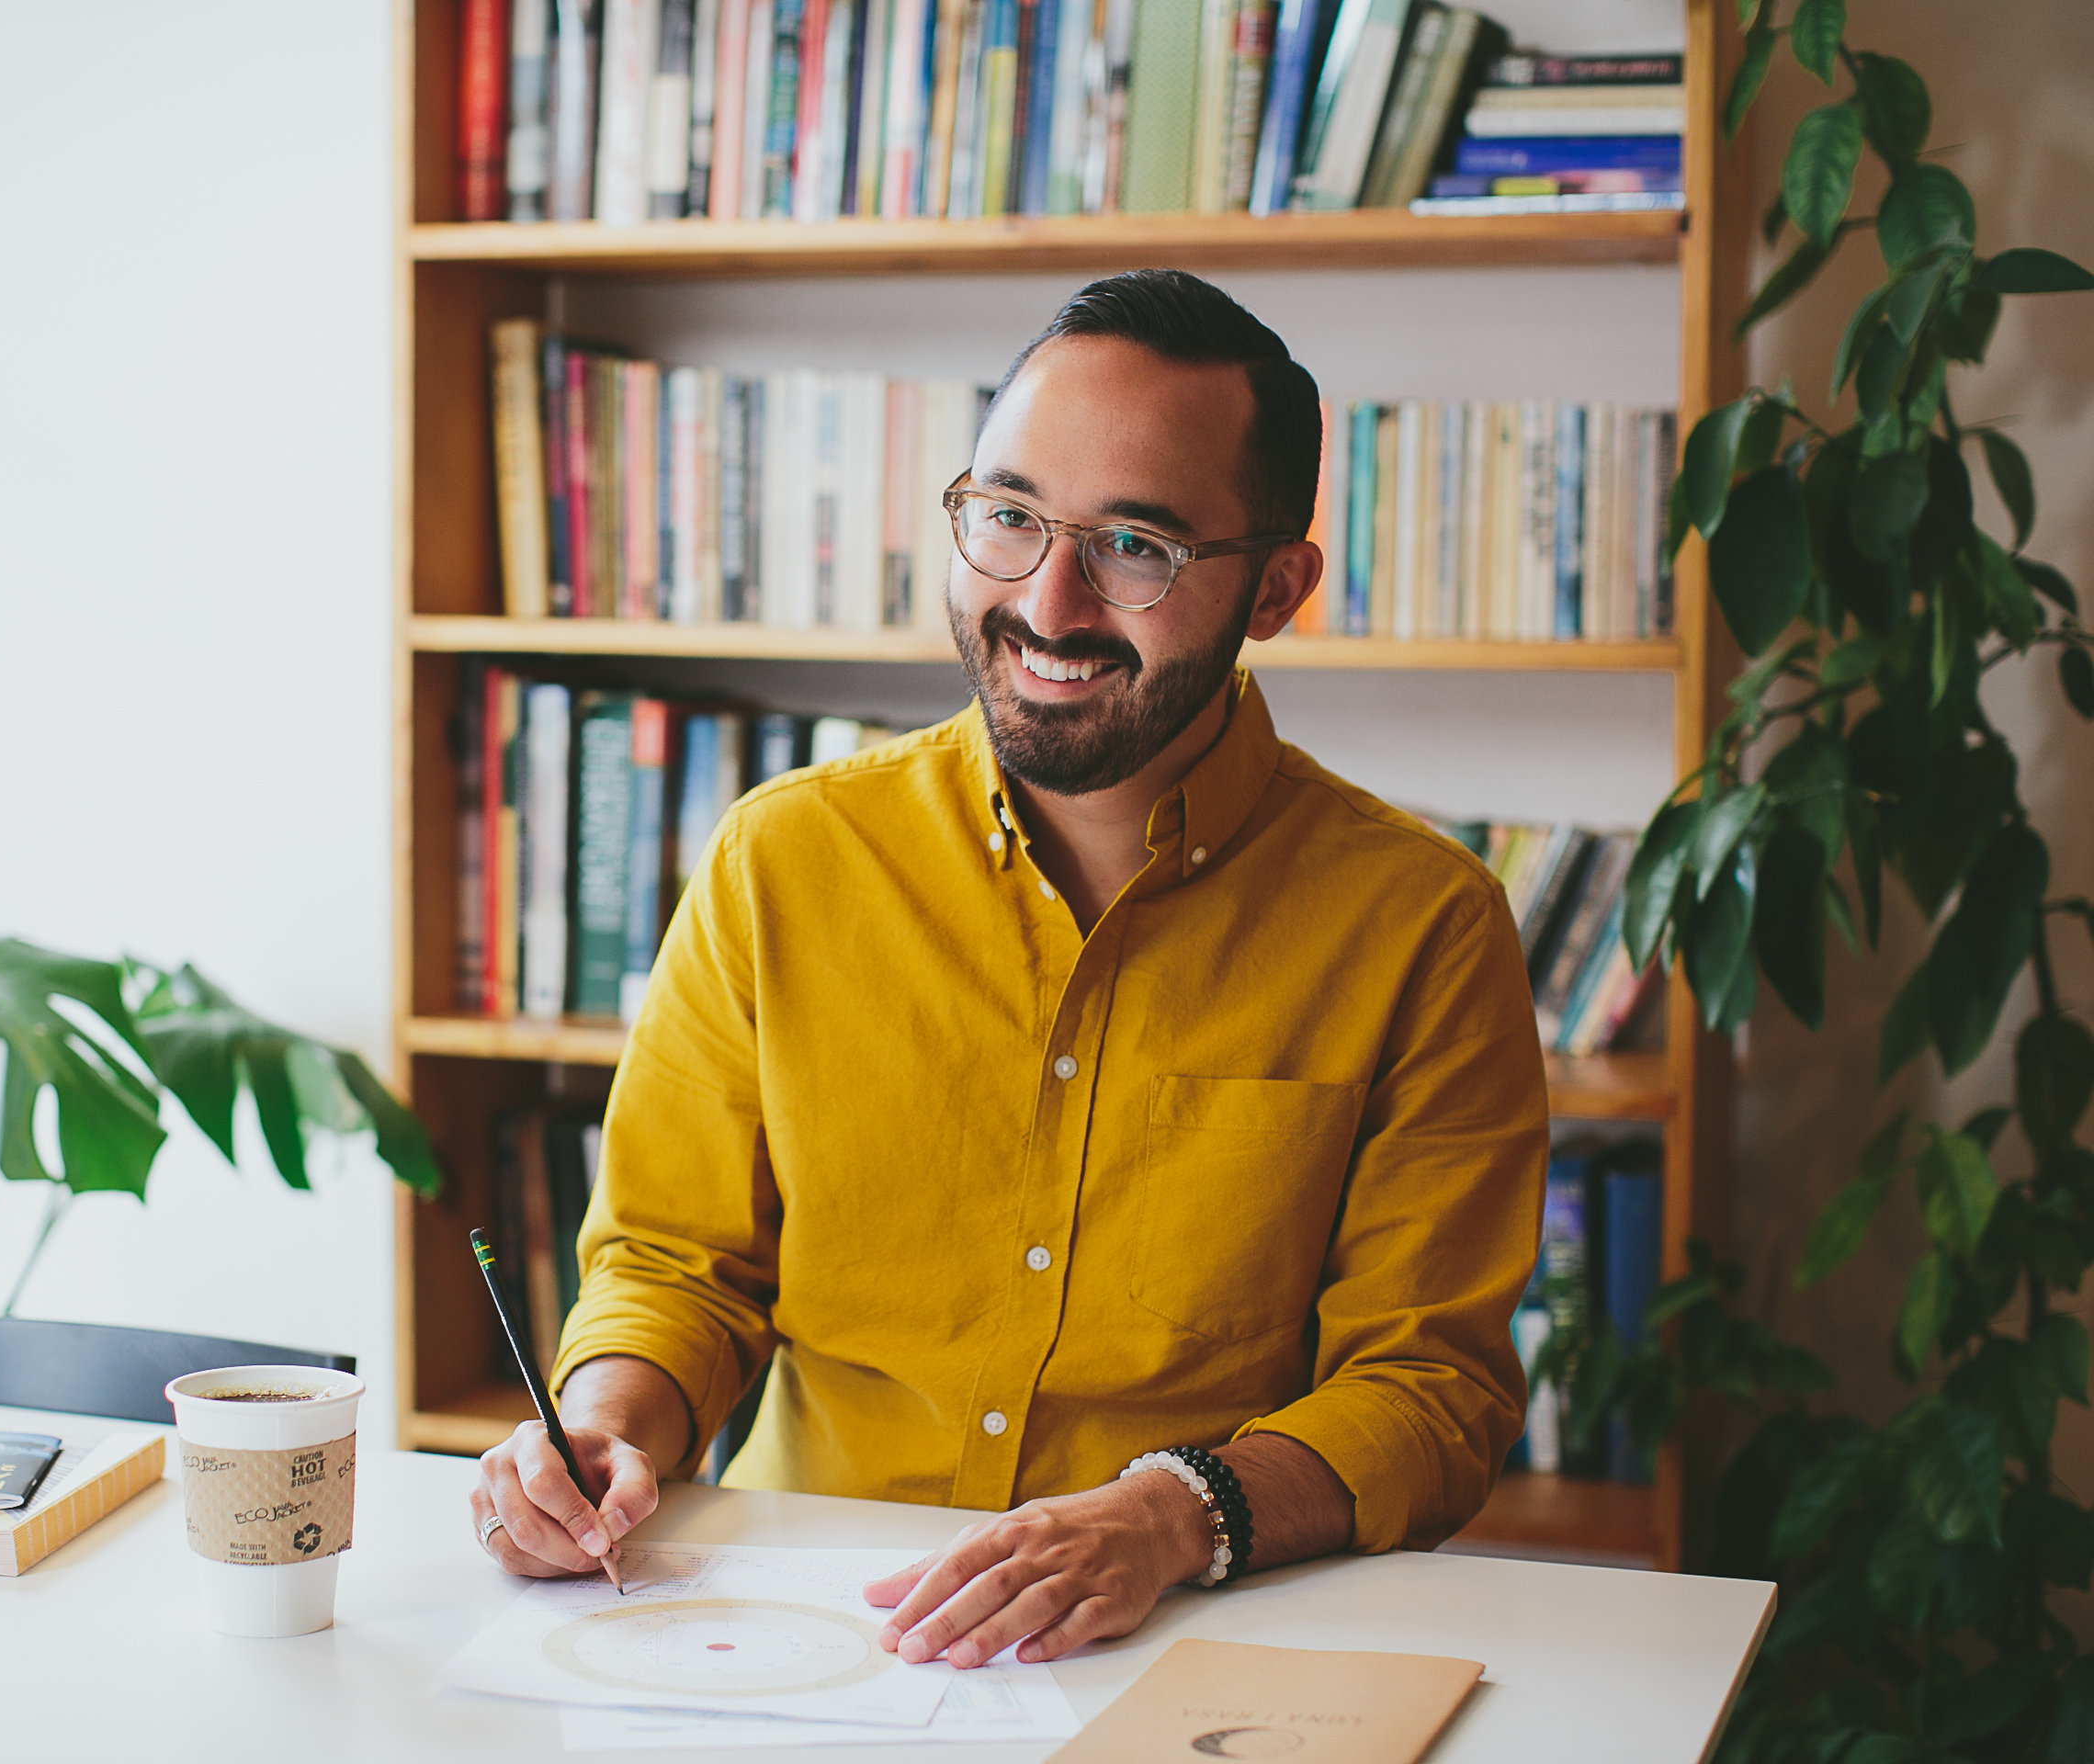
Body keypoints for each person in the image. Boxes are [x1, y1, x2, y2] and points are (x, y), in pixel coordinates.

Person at [470, 269, 1547, 1671]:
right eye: (1009, 518)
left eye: (1138, 546)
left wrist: (1170, 1516)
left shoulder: (1424, 926)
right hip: (805, 1645)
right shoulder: (781, 862)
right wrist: (606, 1428)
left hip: (1197, 1649)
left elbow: (1431, 1391)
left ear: (1275, 588)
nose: (1047, 601)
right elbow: (678, 1266)